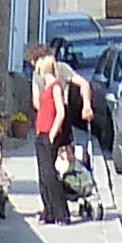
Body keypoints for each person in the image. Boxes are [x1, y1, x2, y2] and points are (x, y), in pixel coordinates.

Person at [30, 41, 71, 223]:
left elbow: (60, 112)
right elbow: (38, 105)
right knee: (43, 176)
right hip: (41, 133)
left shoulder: (55, 87)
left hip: (49, 135)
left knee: (49, 175)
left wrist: (53, 134)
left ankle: (62, 213)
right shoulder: (46, 87)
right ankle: (49, 211)